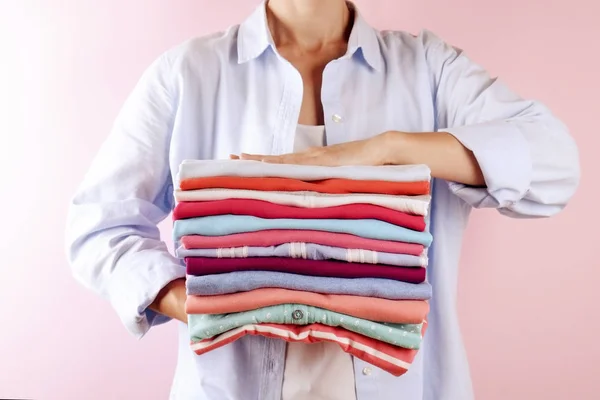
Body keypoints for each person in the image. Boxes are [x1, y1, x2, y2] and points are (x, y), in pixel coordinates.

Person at [65, 0, 580, 399]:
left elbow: (555, 162)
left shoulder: (427, 68)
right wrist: (210, 306)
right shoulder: (188, 74)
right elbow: (99, 227)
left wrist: (390, 148)